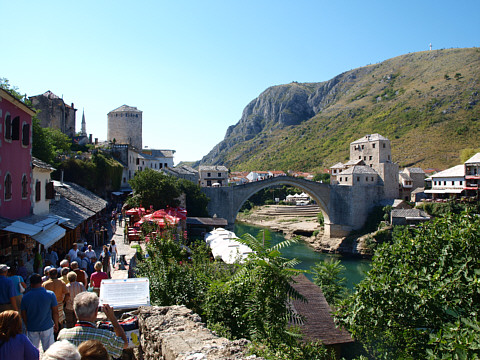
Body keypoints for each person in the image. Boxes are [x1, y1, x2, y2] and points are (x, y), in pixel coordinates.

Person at [57, 292, 128, 359]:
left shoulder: (63, 335)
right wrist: (113, 319)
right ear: (96, 312)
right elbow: (124, 344)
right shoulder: (105, 336)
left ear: (75, 313)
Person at [21, 273, 59, 351]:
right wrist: (56, 323)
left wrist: (27, 325)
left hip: (32, 327)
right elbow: (55, 312)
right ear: (41, 282)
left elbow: (23, 314)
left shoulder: (25, 297)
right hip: (47, 326)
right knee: (49, 351)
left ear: (31, 284)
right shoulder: (50, 294)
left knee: (32, 351)